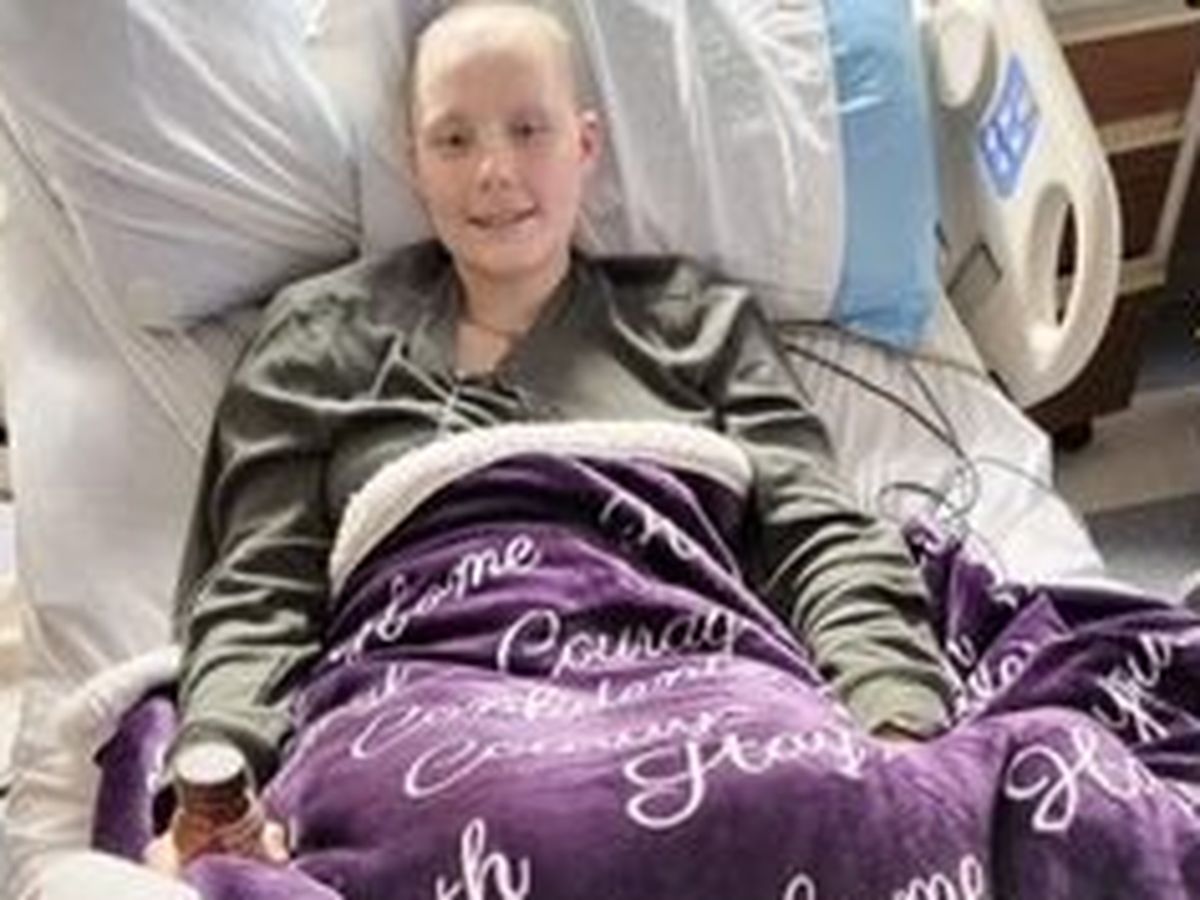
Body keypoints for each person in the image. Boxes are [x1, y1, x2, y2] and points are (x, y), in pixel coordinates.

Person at [147, 0, 954, 873]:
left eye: (528, 130)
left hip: (697, 676)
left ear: (585, 143)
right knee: (478, 825)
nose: (493, 171)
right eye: (453, 140)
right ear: (415, 163)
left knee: (814, 799)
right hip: (423, 704)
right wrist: (218, 777)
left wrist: (894, 714)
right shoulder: (319, 337)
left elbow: (816, 529)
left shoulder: (700, 326)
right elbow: (261, 584)